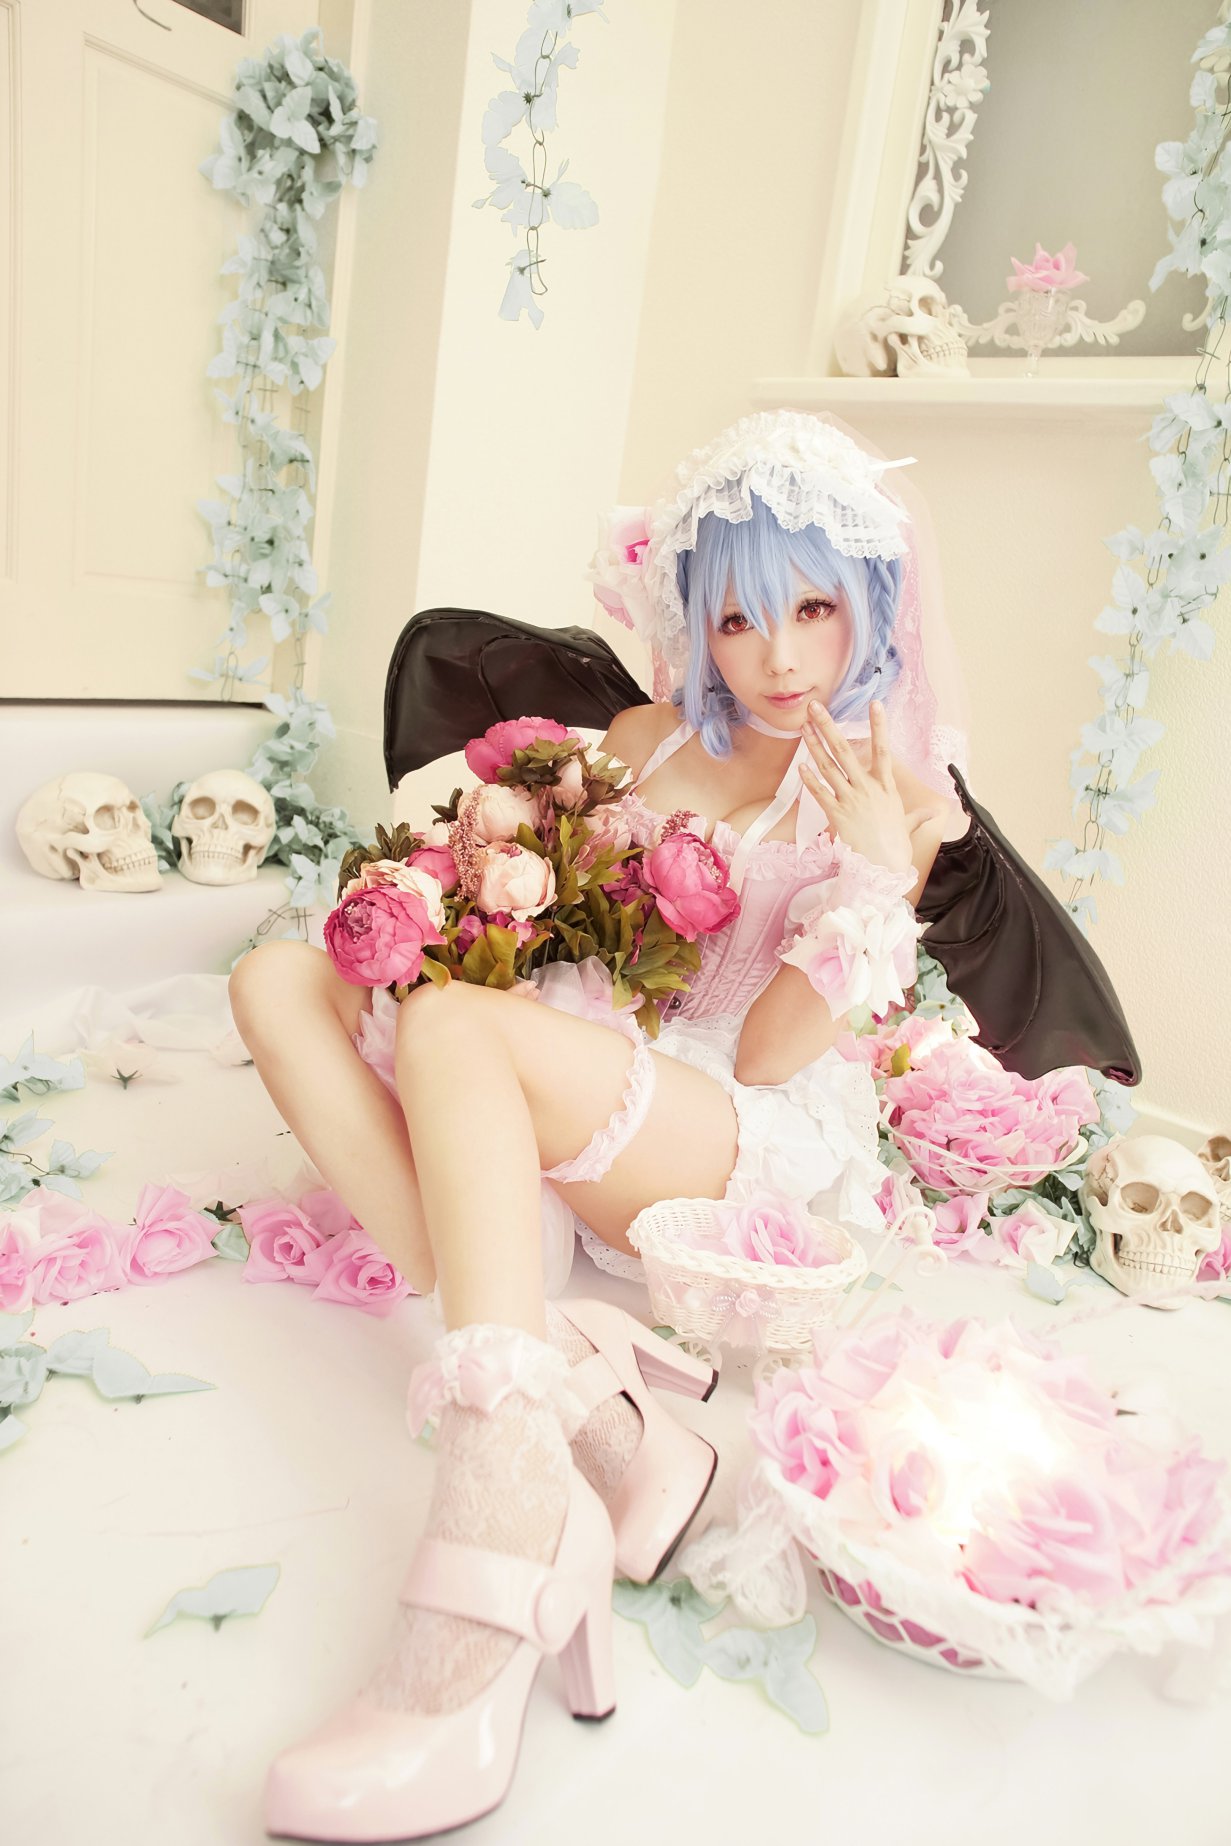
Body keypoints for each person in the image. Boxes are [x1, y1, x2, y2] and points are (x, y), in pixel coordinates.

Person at [228, 411, 1083, 1842]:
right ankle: (600, 1419)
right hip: (597, 1050)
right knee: (275, 978)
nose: (779, 657)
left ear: (870, 601)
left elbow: (768, 1047)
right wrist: (491, 878)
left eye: (813, 609)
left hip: (744, 1120)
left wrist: (878, 876)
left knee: (453, 1032)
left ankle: (504, 1498)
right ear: (696, 618)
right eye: (739, 617)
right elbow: (575, 923)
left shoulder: (895, 792)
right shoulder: (644, 735)